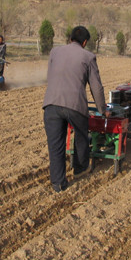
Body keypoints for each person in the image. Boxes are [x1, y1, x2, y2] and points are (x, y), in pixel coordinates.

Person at [42, 26, 110, 193]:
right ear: (85, 42)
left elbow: (50, 77)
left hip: (51, 104)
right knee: (81, 134)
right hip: (74, 105)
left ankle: (58, 184)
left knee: (55, 145)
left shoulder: (55, 52)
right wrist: (103, 110)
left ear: (70, 38)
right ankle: (80, 169)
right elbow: (97, 87)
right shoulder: (88, 56)